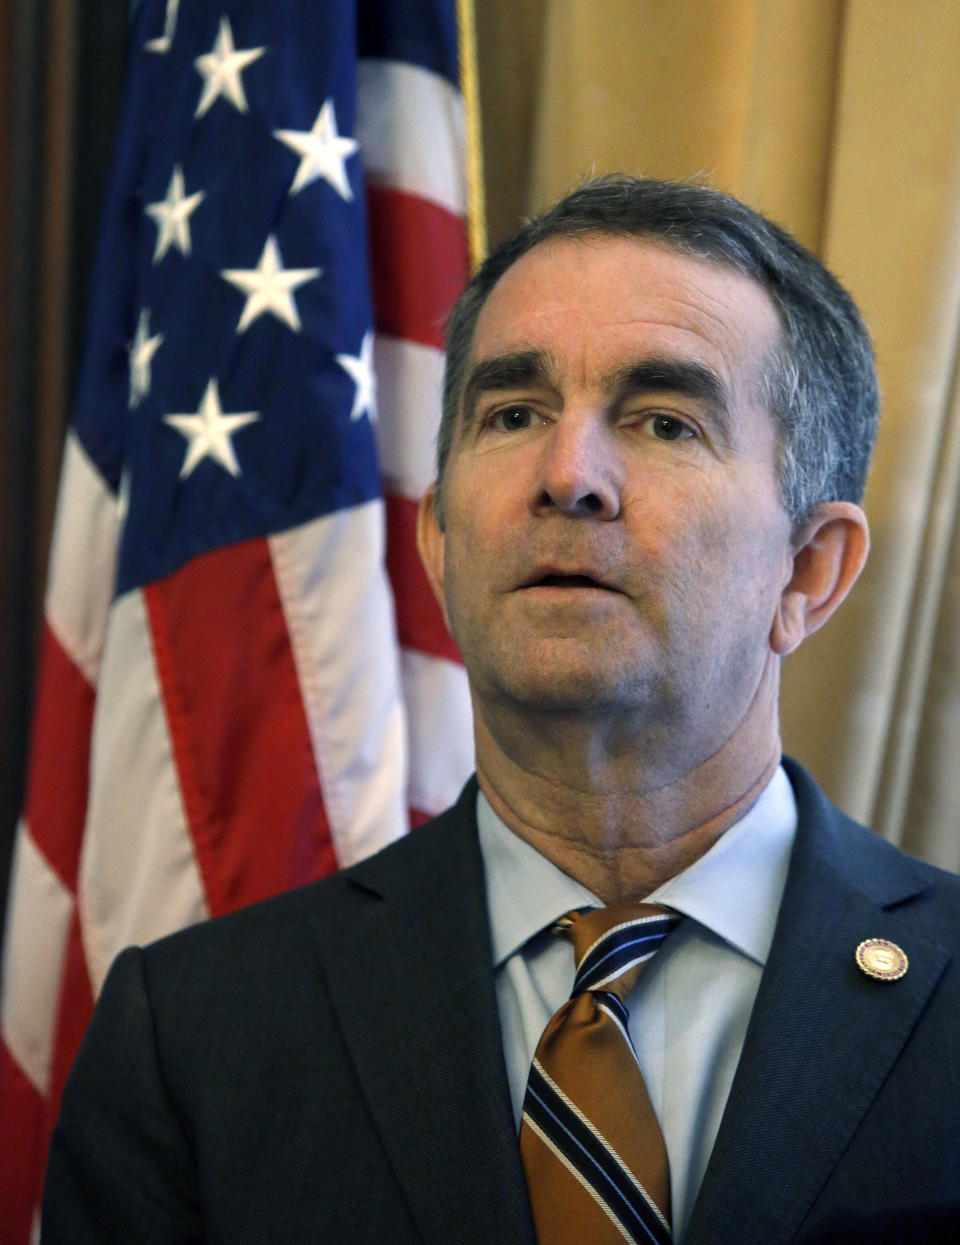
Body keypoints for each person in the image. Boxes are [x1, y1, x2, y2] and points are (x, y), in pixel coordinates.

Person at [42, 177, 960, 1244]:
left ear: (808, 570)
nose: (569, 475)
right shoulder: (195, 1033)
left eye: (665, 421)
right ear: (438, 544)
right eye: (514, 414)